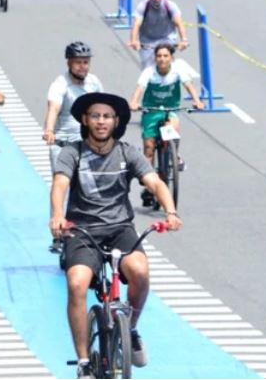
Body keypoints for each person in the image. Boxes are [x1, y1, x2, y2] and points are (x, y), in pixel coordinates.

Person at [49, 92, 182, 379]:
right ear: (85, 120)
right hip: (83, 231)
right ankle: (84, 362)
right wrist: (57, 215)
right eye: (95, 116)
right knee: (76, 283)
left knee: (140, 272)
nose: (101, 121)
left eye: (107, 116)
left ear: (116, 121)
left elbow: (155, 182)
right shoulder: (72, 152)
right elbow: (60, 184)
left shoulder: (127, 152)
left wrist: (170, 212)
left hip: (120, 229)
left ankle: (130, 329)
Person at [129, 43, 204, 206]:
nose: (162, 59)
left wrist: (197, 101)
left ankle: (174, 154)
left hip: (171, 109)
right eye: (159, 56)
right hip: (151, 110)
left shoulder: (178, 71)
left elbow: (188, 85)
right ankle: (148, 182)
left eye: (165, 56)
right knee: (149, 147)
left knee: (173, 127)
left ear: (171, 58)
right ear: (155, 58)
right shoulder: (149, 72)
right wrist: (134, 102)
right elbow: (139, 88)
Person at [43, 41, 104, 172]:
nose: (82, 67)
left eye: (85, 62)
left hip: (88, 144)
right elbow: (53, 108)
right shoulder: (60, 84)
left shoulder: (94, 82)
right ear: (69, 63)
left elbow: (103, 108)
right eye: (78, 62)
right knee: (62, 182)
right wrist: (49, 130)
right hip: (63, 145)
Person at [128, 0, 190, 70]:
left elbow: (179, 23)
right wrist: (133, 41)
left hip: (166, 39)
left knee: (166, 63)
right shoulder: (143, 6)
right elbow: (136, 24)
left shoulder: (170, 6)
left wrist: (184, 40)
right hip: (147, 41)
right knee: (148, 68)